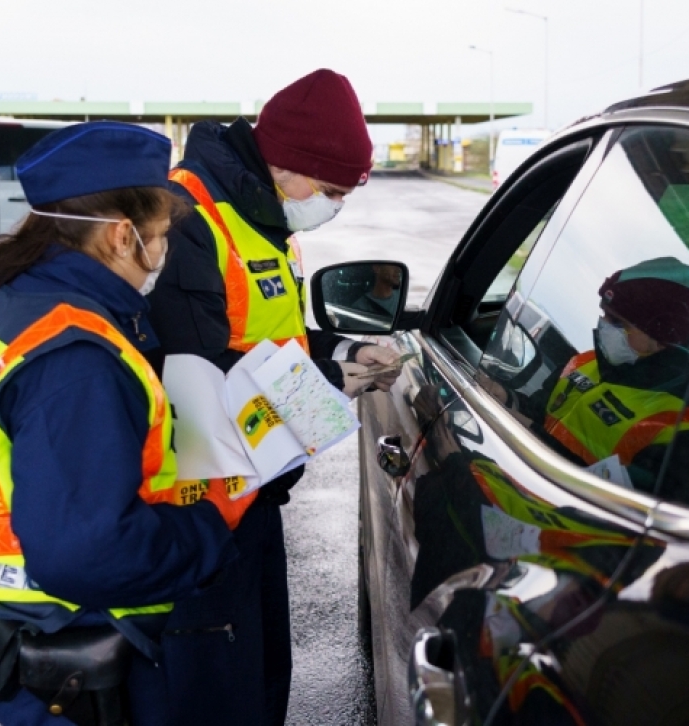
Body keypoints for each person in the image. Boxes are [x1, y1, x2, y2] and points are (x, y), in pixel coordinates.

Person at [0, 122, 252, 726]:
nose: (161, 255)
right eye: (157, 237)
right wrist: (212, 523)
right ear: (118, 236)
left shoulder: (22, 301)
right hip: (75, 655)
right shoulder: (76, 359)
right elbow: (90, 553)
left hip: (30, 634)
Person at [146, 68, 401, 725]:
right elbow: (193, 374)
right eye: (334, 190)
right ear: (291, 165)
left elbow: (271, 339)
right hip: (197, 509)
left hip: (255, 493)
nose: (335, 206)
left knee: (261, 687)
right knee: (217, 700)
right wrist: (318, 386)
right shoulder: (190, 220)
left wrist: (341, 352)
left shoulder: (266, 221)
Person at [508, 257, 689, 511]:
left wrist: (531, 436)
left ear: (662, 338)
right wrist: (506, 398)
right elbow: (540, 410)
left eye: (618, 323)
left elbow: (631, 522)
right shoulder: (585, 362)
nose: (604, 327)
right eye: (604, 315)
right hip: (519, 497)